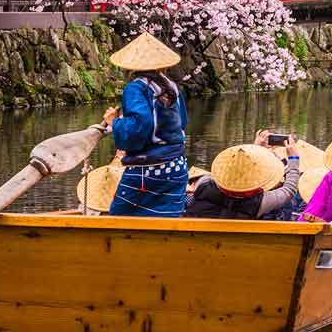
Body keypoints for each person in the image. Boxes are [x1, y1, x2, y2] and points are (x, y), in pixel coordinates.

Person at [100, 32, 189, 217]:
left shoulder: (136, 87)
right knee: (167, 218)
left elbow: (139, 126)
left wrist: (114, 122)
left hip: (147, 170)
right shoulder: (171, 86)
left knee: (119, 217)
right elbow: (183, 122)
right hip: (177, 166)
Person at [186, 134, 304, 220]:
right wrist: (294, 159)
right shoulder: (258, 203)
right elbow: (289, 190)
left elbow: (219, 178)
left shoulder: (204, 184)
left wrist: (254, 149)